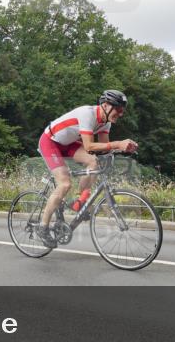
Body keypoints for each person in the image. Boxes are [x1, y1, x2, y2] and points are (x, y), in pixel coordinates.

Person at [35, 90, 138, 245]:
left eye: (122, 111)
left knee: (93, 162)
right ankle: (43, 227)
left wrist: (122, 148)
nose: (120, 114)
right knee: (65, 183)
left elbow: (103, 148)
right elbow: (89, 145)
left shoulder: (106, 122)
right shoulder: (87, 114)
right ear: (105, 105)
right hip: (50, 142)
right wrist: (118, 143)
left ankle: (80, 201)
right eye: (118, 109)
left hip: (68, 144)